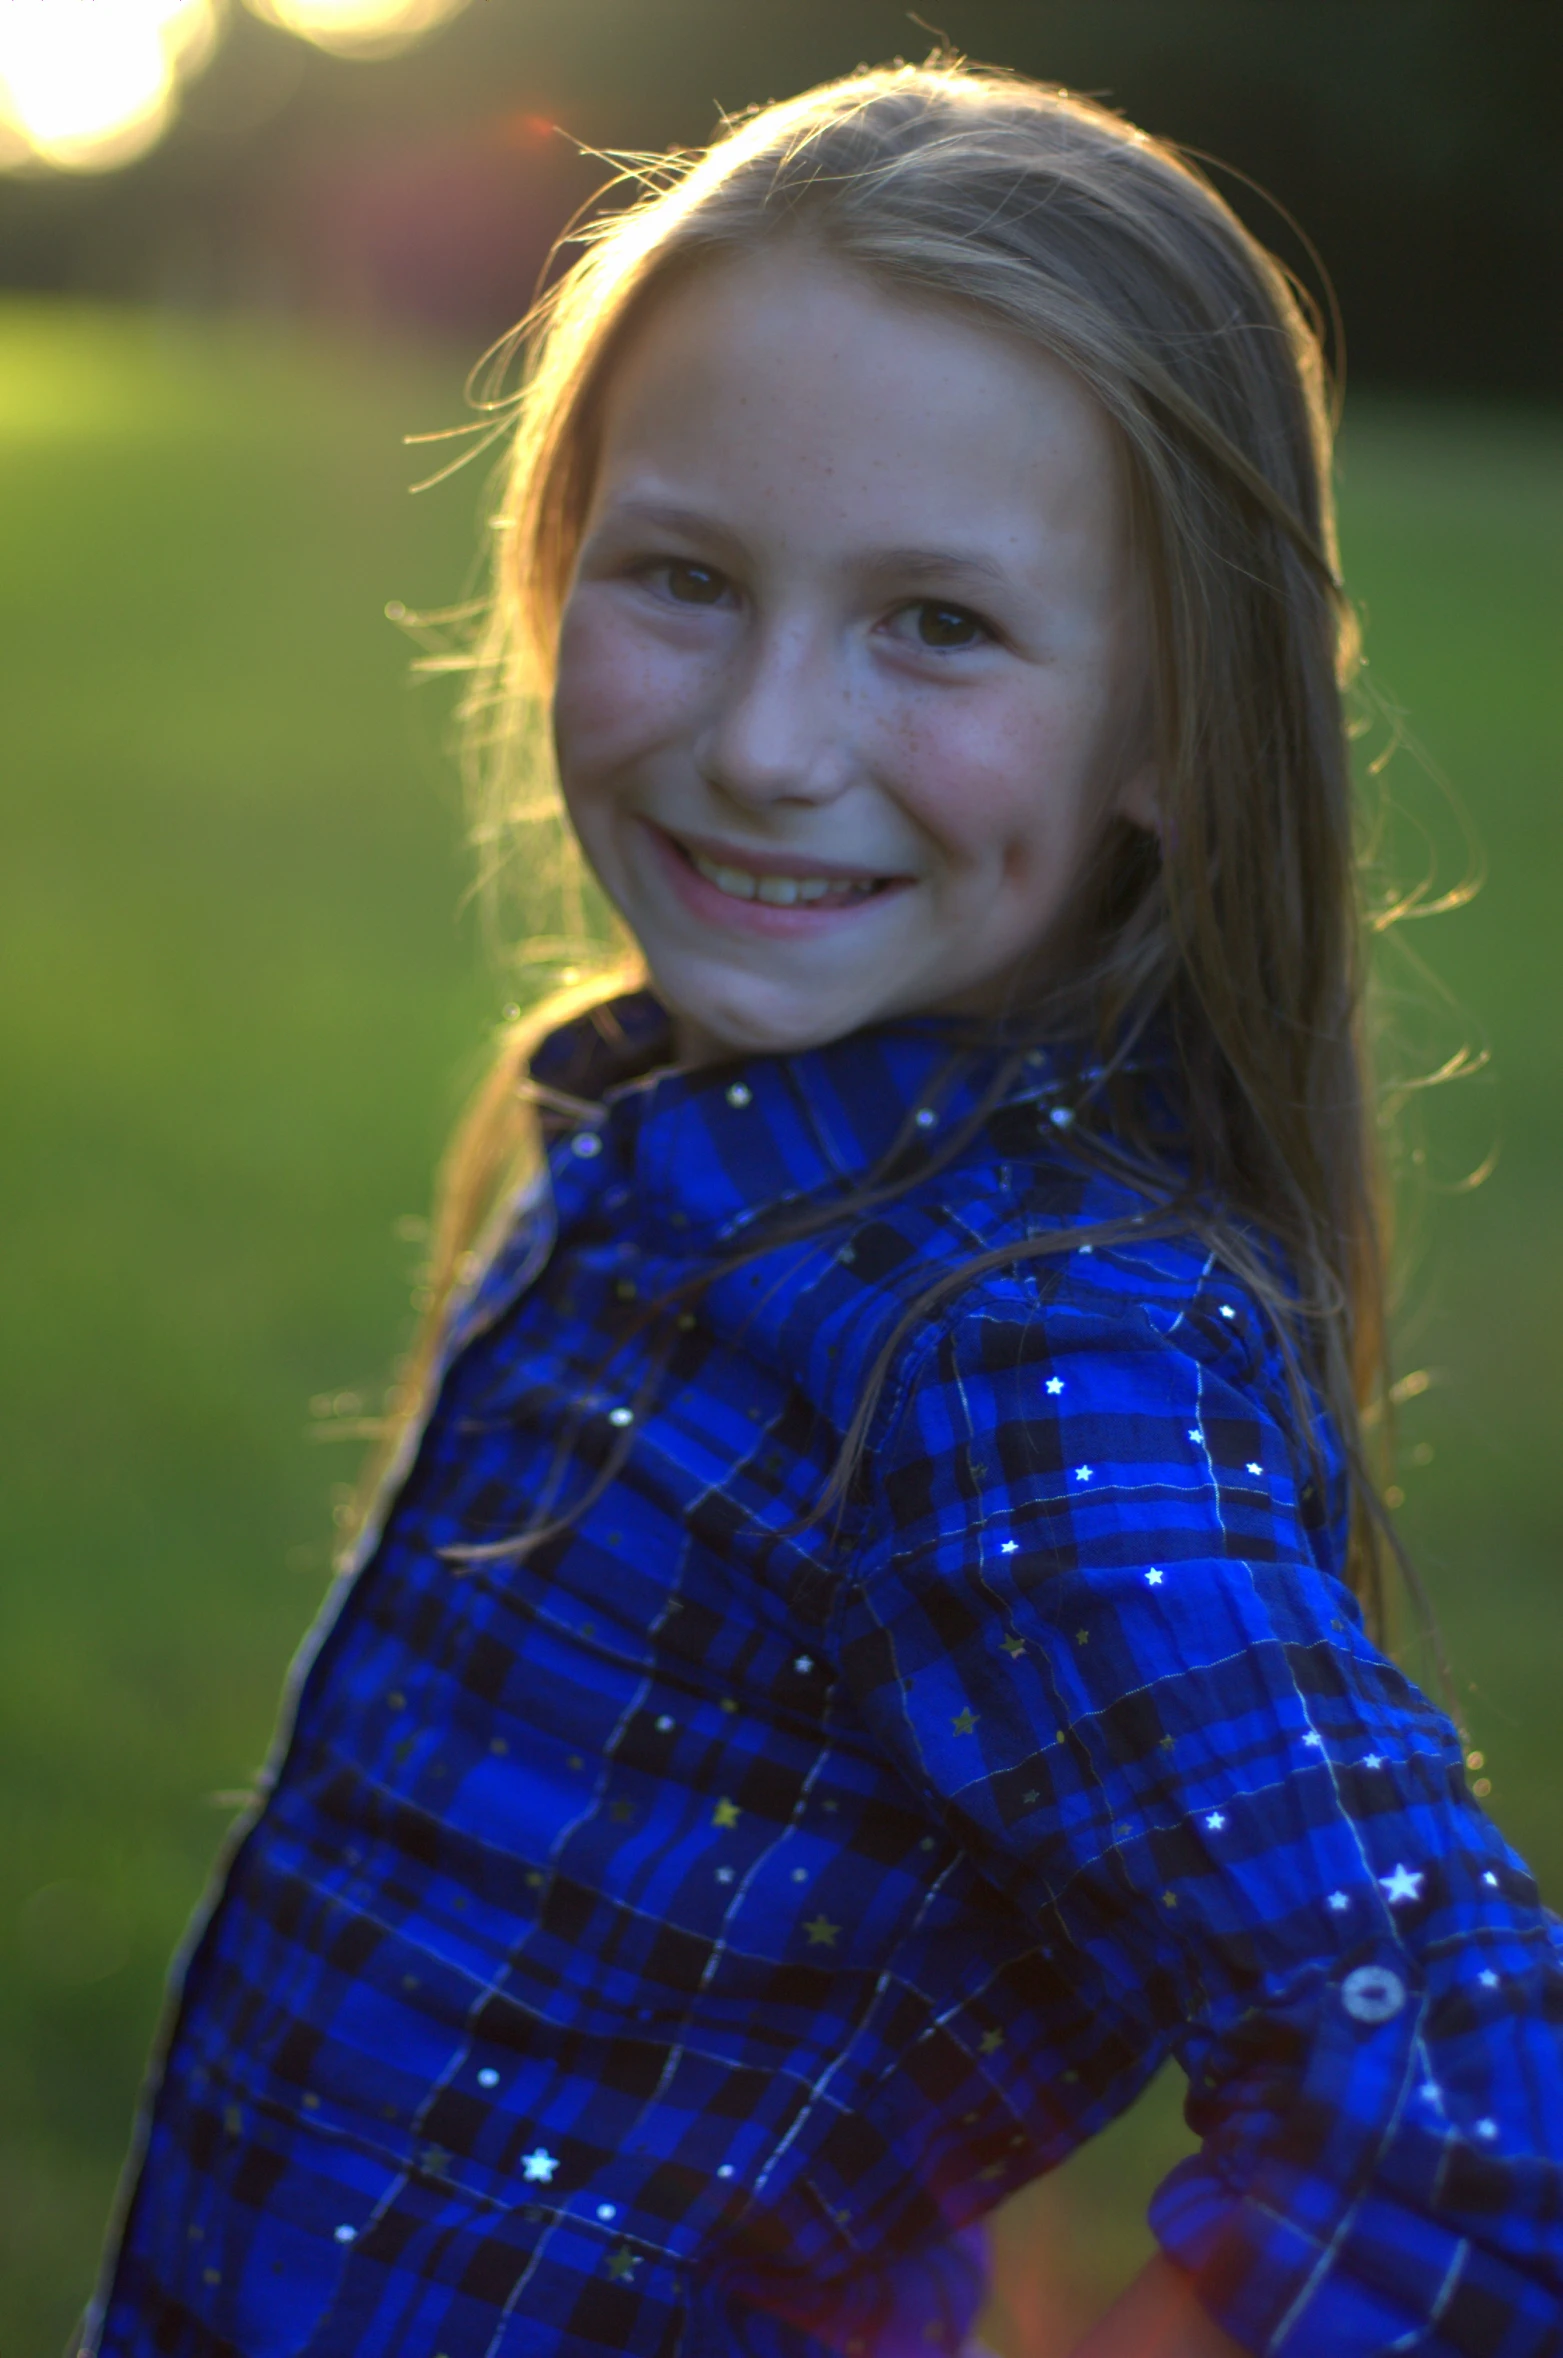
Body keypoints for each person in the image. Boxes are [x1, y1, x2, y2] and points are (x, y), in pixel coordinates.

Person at [86, 60, 1563, 2358]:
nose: (768, 740)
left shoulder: (1022, 1346)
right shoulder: (678, 1142)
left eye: (938, 627)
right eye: (682, 578)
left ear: (1176, 723)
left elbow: (1463, 2119)